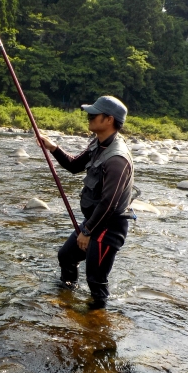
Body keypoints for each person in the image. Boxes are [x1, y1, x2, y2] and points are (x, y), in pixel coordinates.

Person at [38, 96, 134, 310]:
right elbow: (74, 165)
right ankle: (66, 301)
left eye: (94, 115)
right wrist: (53, 148)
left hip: (109, 227)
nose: (88, 118)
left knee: (96, 280)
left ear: (109, 120)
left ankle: (96, 326)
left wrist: (87, 230)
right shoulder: (97, 144)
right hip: (95, 222)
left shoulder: (117, 158)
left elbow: (109, 203)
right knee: (66, 257)